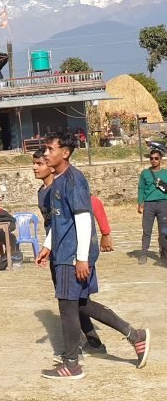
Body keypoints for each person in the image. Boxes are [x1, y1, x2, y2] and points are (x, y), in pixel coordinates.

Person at [36, 132, 150, 380]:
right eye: (44, 149)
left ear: (65, 153)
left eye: (49, 149)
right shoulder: (58, 180)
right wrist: (47, 245)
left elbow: (83, 218)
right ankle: (134, 335)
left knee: (67, 307)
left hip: (72, 255)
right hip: (63, 250)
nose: (45, 154)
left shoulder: (74, 180)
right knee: (81, 303)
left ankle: (71, 364)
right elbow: (59, 221)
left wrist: (81, 257)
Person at [33, 149, 115, 358]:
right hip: (58, 251)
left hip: (73, 253)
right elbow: (54, 226)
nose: (35, 167)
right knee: (74, 302)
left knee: (74, 302)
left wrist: (103, 235)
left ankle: (73, 355)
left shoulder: (70, 183)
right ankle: (93, 344)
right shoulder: (44, 192)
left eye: (40, 163)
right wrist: (48, 247)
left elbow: (90, 208)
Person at [137, 148, 167, 265]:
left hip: (163, 205)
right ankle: (143, 254)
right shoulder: (145, 173)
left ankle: (164, 256)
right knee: (146, 231)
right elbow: (141, 189)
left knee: (164, 232)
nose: (153, 160)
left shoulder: (165, 173)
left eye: (156, 158)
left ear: (160, 159)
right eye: (151, 158)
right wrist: (140, 203)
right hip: (149, 205)